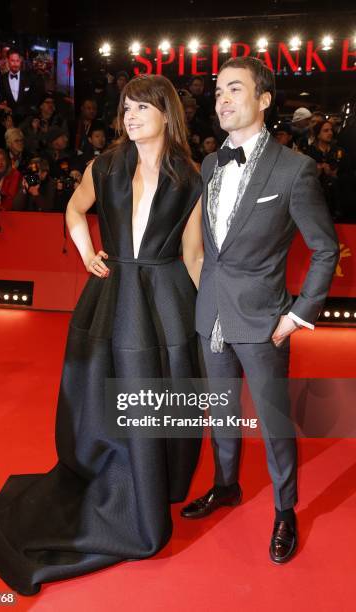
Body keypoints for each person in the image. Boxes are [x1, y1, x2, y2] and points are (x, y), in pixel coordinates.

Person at [0, 73, 204, 595]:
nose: (131, 116)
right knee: (104, 386)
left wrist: (205, 316)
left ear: (167, 113)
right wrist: (86, 252)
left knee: (159, 391)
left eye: (143, 107)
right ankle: (114, 473)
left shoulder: (190, 176)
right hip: (114, 290)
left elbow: (193, 255)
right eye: (126, 109)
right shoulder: (105, 165)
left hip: (166, 296)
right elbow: (75, 209)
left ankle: (155, 475)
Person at [180, 57, 339, 564]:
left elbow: (325, 248)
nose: (222, 99)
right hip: (212, 317)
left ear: (265, 100)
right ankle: (226, 484)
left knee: (272, 421)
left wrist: (297, 315)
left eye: (235, 89)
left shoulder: (295, 170)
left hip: (264, 322)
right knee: (221, 410)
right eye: (218, 91)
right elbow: (210, 247)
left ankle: (285, 509)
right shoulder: (208, 164)